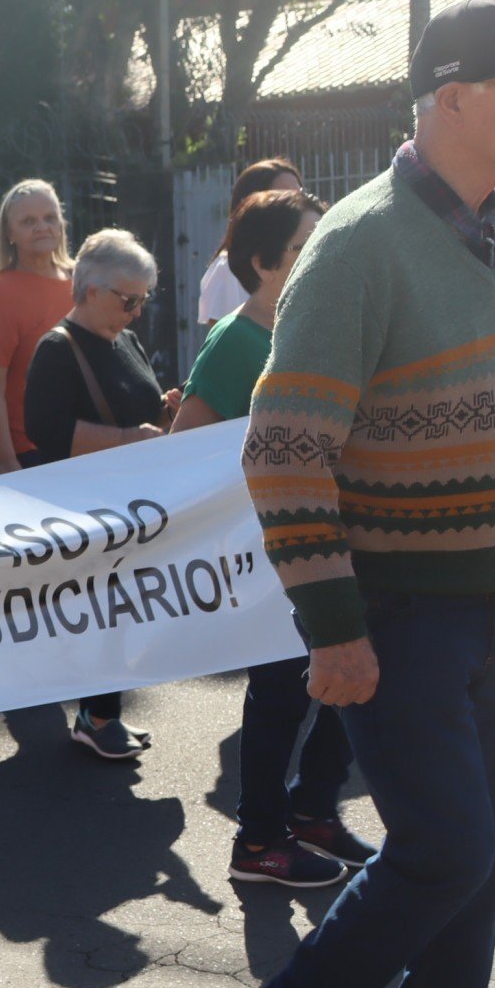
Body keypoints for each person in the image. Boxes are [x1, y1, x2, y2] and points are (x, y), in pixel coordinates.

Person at [230, 0, 495, 988]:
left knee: (487, 853)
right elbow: (281, 449)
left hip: (480, 615)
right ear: (450, 95)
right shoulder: (358, 244)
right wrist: (334, 626)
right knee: (447, 849)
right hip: (396, 614)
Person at [173, 189, 374, 889]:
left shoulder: (310, 331)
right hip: (268, 557)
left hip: (334, 541)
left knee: (352, 682)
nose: (321, 258)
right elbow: (184, 450)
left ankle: (314, 810)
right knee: (283, 696)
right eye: (303, 248)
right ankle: (259, 839)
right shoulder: (237, 341)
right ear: (262, 263)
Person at [22, 228, 177, 762]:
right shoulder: (56, 350)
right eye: (129, 300)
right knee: (105, 611)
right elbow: (46, 431)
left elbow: (137, 406)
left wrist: (165, 412)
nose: (137, 312)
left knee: (122, 610)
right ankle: (96, 716)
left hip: (125, 501)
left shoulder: (123, 340)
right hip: (84, 508)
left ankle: (103, 713)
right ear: (91, 290)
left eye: (143, 300)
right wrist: (131, 439)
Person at [0, 179, 76, 474]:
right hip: (29, 453)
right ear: (10, 233)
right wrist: (7, 460)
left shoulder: (81, 280)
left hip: (83, 444)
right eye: (29, 221)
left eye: (49, 218)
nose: (42, 227)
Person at [196, 157, 302, 325]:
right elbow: (228, 343)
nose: (297, 204)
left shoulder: (297, 256)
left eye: (299, 194)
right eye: (283, 196)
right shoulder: (228, 269)